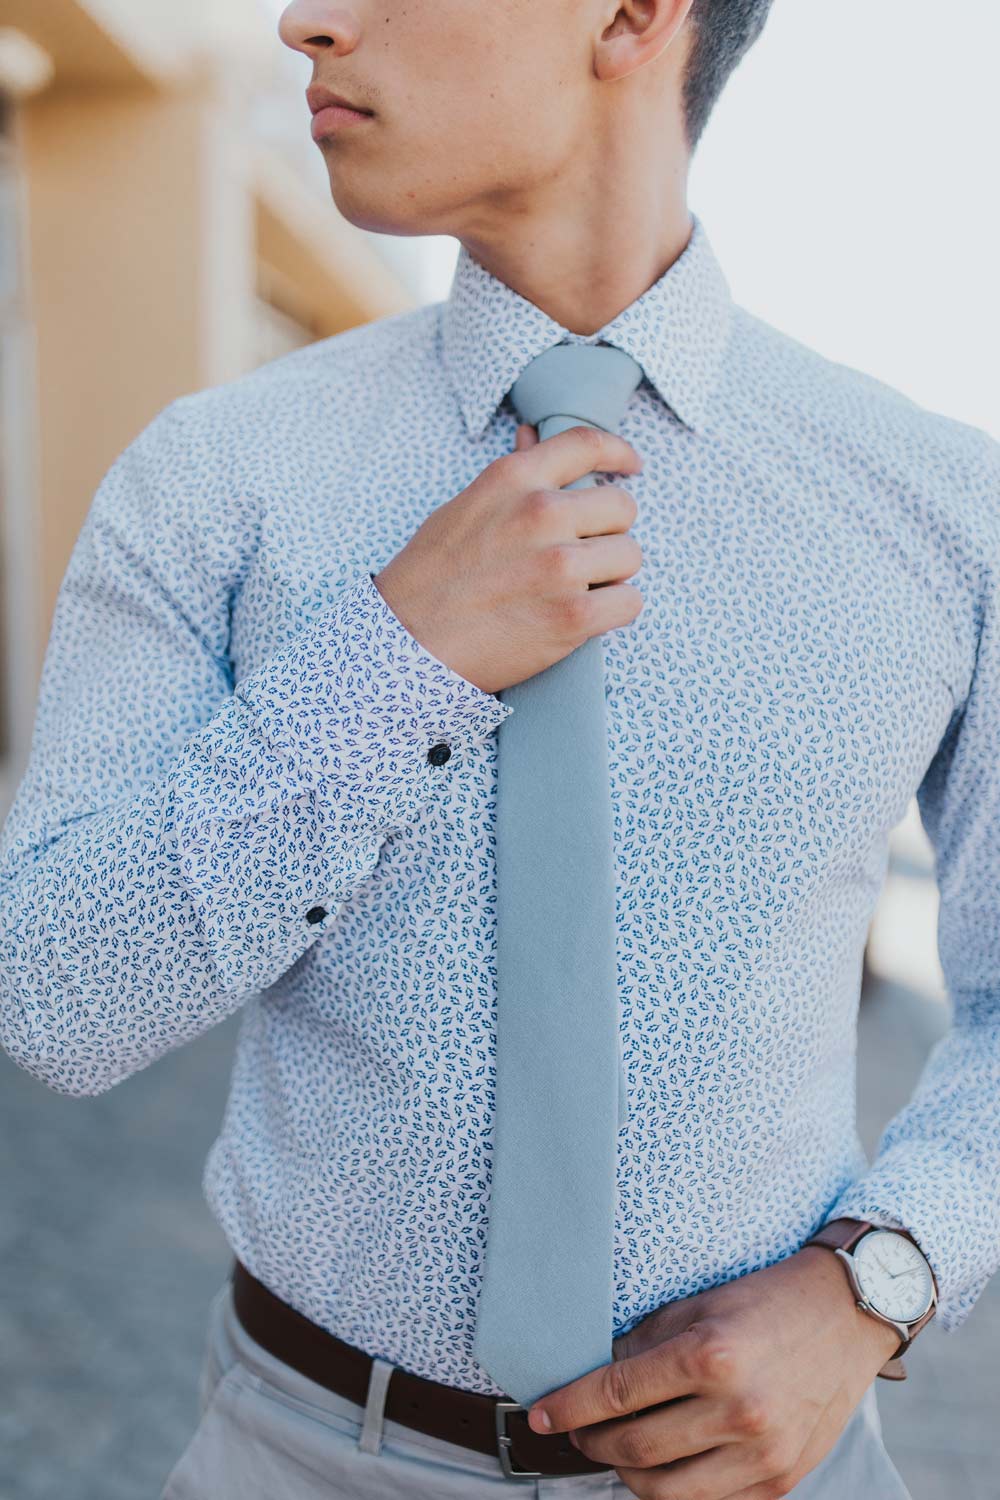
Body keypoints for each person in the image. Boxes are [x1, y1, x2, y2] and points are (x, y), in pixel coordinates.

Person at [1, 0, 997, 1494]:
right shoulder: (219, 478)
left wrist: (882, 1280)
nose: (305, 20)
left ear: (629, 16)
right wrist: (402, 658)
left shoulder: (938, 512)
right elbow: (57, 999)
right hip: (298, 1454)